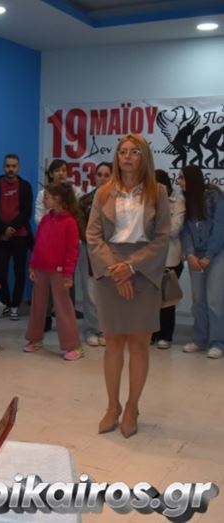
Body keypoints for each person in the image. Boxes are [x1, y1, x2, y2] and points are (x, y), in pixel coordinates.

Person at [87, 134, 170, 438]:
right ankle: (113, 406)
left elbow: (162, 237)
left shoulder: (158, 192)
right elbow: (93, 235)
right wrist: (115, 269)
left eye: (134, 152)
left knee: (138, 343)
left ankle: (132, 407)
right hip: (110, 268)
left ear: (144, 157)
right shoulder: (103, 193)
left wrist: (131, 267)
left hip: (144, 270)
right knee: (113, 342)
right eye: (123, 151)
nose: (127, 156)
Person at [24, 183, 83, 361]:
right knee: (38, 306)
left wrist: (68, 274)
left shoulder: (70, 223)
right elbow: (38, 245)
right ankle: (35, 339)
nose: (45, 199)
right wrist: (32, 265)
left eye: (48, 197)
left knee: (63, 308)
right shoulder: (45, 219)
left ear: (58, 199)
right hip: (41, 269)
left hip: (59, 272)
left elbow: (72, 251)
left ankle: (74, 345)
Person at [178, 165, 224, 358]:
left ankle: (217, 342)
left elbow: (220, 227)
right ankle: (199, 339)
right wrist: (190, 254)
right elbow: (185, 231)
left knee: (214, 300)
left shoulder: (214, 197)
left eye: (182, 178)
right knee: (198, 300)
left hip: (217, 253)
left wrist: (209, 255)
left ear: (192, 179)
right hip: (195, 255)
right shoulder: (185, 201)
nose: (179, 182)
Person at [0, 154, 34, 320]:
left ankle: (15, 305)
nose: (10, 169)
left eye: (14, 166)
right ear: (3, 167)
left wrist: (12, 228)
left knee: (19, 273)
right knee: (1, 272)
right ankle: (5, 304)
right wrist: (4, 229)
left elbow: (27, 212)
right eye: (7, 166)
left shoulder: (25, 186)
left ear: (18, 167)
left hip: (21, 236)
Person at [151, 169, 186, 350]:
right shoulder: (147, 201)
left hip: (171, 257)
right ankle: (152, 333)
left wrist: (155, 227)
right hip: (151, 257)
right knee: (150, 298)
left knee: (167, 299)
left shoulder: (178, 202)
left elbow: (174, 230)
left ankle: (165, 335)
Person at [78, 162, 112, 347]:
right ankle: (91, 329)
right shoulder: (84, 201)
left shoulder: (120, 200)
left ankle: (106, 330)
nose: (103, 178)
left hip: (112, 251)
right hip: (89, 250)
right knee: (91, 293)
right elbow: (81, 226)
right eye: (100, 174)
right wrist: (95, 242)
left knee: (109, 294)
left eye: (107, 175)